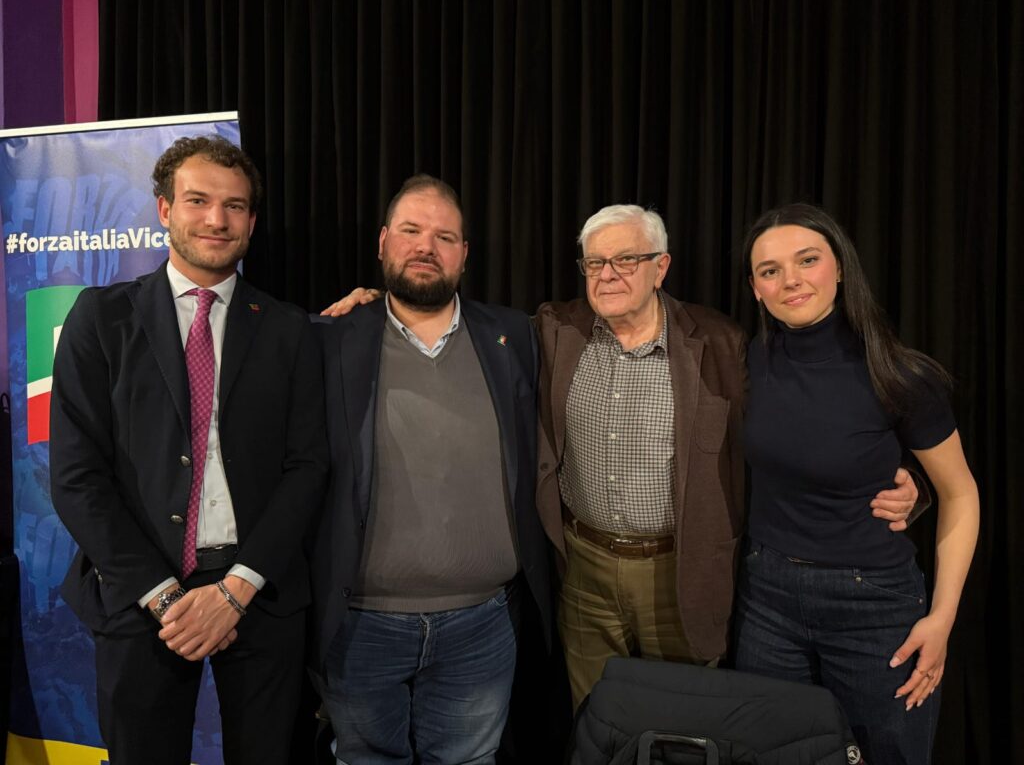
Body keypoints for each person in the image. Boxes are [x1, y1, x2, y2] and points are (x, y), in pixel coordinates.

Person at [323, 203, 922, 712]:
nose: (608, 274)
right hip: (583, 574)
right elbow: (453, 325)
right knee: (598, 722)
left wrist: (904, 482)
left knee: (687, 725)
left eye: (626, 260)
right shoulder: (553, 331)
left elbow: (794, 430)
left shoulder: (720, 343)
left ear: (660, 267)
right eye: (595, 262)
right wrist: (376, 303)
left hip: (682, 572)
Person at [49, 136, 329, 764]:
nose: (216, 219)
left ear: (252, 221)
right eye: (198, 200)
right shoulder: (101, 320)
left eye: (235, 206)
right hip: (142, 592)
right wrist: (168, 598)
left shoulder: (288, 329)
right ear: (164, 210)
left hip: (259, 591)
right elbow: (75, 476)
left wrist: (235, 590)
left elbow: (307, 467)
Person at [309, 175, 554, 764]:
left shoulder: (512, 335)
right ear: (383, 242)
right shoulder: (328, 340)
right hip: (364, 627)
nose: (427, 246)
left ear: (465, 255)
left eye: (445, 236)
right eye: (412, 231)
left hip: (483, 625)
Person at [733, 203, 979, 764]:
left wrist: (941, 620)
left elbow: (962, 495)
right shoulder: (750, 360)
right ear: (755, 289)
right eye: (770, 270)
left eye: (807, 260)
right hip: (766, 600)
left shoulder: (900, 375)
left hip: (873, 607)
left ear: (840, 267)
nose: (790, 279)